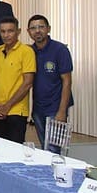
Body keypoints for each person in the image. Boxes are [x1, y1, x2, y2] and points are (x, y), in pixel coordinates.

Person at [27, 15, 74, 152]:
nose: (37, 31)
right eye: (33, 28)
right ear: (28, 32)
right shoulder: (30, 51)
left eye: (41, 27)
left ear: (48, 29)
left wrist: (62, 111)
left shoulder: (60, 50)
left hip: (55, 108)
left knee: (53, 150)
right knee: (45, 148)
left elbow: (67, 81)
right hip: (38, 108)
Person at [0, 16, 36, 143]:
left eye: (10, 31)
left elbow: (27, 83)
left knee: (15, 149)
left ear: (18, 31)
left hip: (16, 110)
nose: (6, 35)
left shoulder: (26, 51)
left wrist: (8, 106)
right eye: (3, 31)